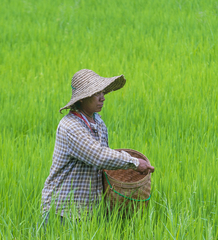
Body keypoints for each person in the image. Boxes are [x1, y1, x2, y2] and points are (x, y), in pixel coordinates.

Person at [42, 69, 154, 220]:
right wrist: (134, 162)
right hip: (62, 211)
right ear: (82, 98)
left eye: (102, 92)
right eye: (96, 93)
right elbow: (99, 156)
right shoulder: (70, 127)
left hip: (88, 212)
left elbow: (103, 159)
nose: (102, 98)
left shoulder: (98, 122)